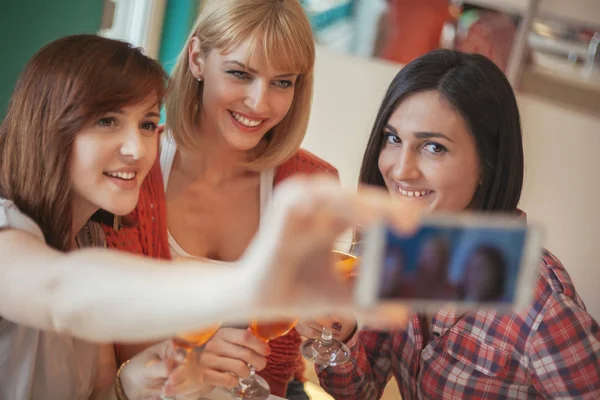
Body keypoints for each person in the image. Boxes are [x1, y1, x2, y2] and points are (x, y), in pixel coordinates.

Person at [0, 34, 412, 400]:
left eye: (146, 124)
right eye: (106, 122)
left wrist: (134, 384)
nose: (136, 149)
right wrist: (254, 283)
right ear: (47, 125)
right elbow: (60, 294)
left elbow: (98, 393)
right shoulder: (7, 231)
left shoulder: (89, 235)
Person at [299, 49, 600, 399]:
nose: (400, 169)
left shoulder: (541, 304)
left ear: (488, 163)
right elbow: (361, 391)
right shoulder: (403, 250)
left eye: (433, 148)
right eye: (394, 139)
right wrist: (342, 333)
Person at [103, 0, 337, 397]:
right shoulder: (133, 168)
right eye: (239, 73)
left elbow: (278, 364)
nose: (259, 103)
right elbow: (114, 341)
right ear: (197, 58)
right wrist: (190, 355)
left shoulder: (310, 184)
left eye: (283, 82)